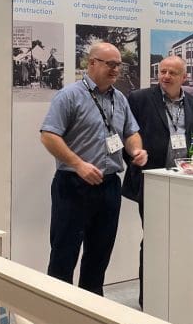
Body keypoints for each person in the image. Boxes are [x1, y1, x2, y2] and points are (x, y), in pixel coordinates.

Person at [40, 41, 148, 296]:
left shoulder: (119, 99)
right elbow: (48, 135)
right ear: (91, 63)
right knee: (64, 254)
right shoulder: (69, 95)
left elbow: (131, 132)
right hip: (74, 185)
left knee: (99, 255)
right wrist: (78, 164)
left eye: (118, 65)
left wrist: (136, 150)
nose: (115, 70)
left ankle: (91, 312)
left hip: (109, 186)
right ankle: (56, 312)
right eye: (110, 64)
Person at [123, 54, 193, 307]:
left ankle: (175, 294)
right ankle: (149, 298)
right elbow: (127, 136)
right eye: (163, 72)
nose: (166, 76)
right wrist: (136, 162)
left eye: (172, 73)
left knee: (180, 239)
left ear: (184, 77)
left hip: (182, 182)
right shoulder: (139, 99)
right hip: (152, 181)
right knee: (154, 238)